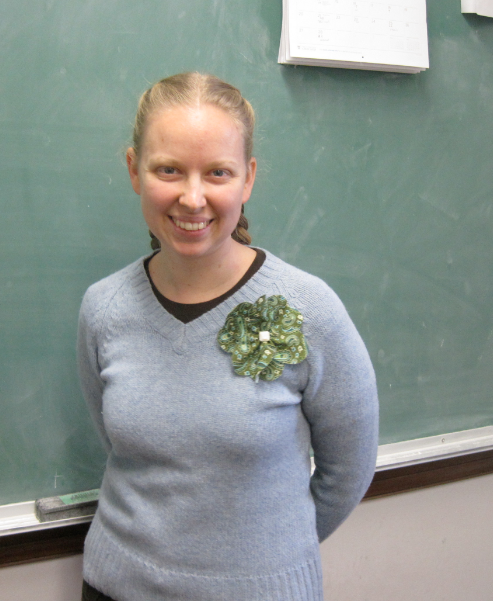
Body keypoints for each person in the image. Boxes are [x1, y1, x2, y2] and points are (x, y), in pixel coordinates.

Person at [77, 72, 378, 601]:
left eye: (218, 173)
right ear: (133, 170)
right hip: (115, 587)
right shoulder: (104, 308)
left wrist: (267, 558)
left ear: (248, 178)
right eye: (168, 169)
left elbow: (348, 469)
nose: (193, 198)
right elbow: (120, 444)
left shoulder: (310, 311)